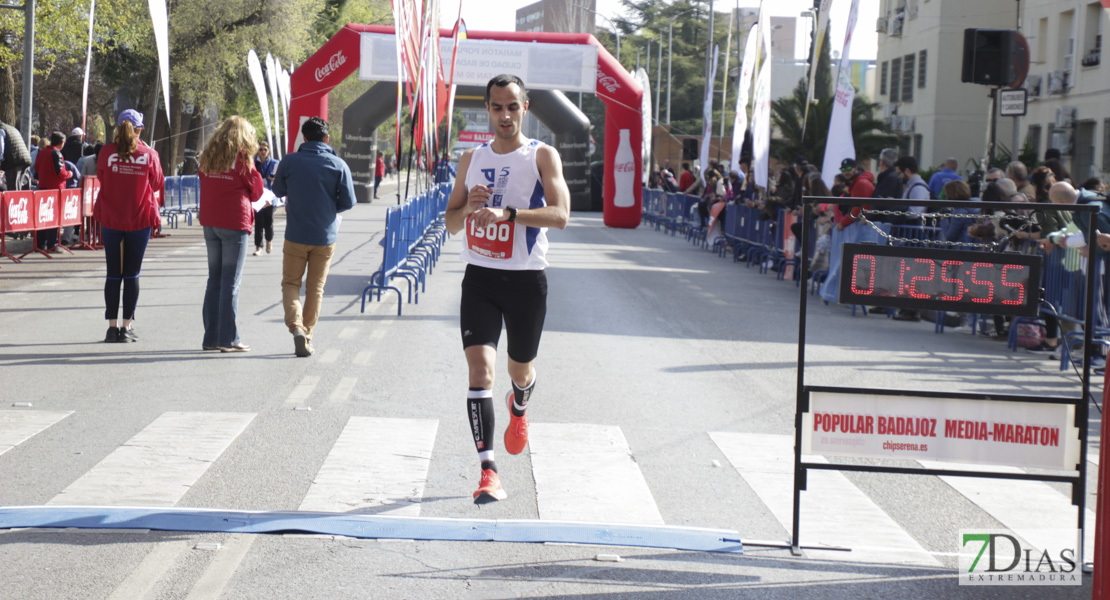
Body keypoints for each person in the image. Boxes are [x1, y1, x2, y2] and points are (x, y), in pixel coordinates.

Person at [444, 74, 570, 505]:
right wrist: (472, 208)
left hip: (524, 280)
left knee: (520, 373)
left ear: (525, 108)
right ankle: (488, 473)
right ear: (488, 110)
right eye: (496, 107)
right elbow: (450, 222)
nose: (504, 115)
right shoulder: (470, 158)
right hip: (478, 277)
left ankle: (519, 406)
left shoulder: (541, 155)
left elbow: (561, 214)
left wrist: (508, 214)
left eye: (512, 107)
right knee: (479, 372)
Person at [272, 116, 356, 358]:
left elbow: (277, 191)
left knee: (290, 284)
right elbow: (348, 201)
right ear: (327, 139)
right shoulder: (339, 164)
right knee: (315, 289)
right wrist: (328, 208)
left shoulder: (290, 161)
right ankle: (307, 336)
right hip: (325, 236)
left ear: (304, 138)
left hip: (296, 234)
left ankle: (295, 326)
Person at [93, 109, 163, 343]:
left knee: (113, 274)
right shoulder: (149, 153)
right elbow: (157, 183)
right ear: (140, 129)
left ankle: (111, 328)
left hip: (111, 218)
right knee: (132, 274)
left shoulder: (105, 152)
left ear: (116, 128)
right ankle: (126, 327)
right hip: (139, 218)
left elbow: (101, 177)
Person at [198, 116, 264, 353]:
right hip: (234, 221)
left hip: (210, 220)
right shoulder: (243, 158)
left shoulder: (208, 156)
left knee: (214, 279)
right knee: (230, 283)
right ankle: (229, 338)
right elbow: (257, 192)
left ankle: (211, 337)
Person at [33, 131, 71, 252]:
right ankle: (52, 244)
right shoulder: (56, 153)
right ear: (62, 143)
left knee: (42, 217)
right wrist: (69, 174)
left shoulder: (42, 152)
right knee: (54, 218)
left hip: (43, 187)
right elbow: (60, 172)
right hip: (55, 189)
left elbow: (37, 168)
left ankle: (40, 244)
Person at [252, 141, 279, 256]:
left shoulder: (275, 163)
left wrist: (273, 179)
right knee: (258, 222)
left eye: (265, 149)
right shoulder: (253, 163)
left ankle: (269, 241)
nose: (263, 152)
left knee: (268, 222)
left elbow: (280, 180)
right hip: (258, 196)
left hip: (270, 196)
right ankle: (259, 247)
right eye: (260, 149)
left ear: (268, 151)